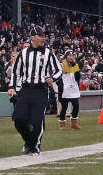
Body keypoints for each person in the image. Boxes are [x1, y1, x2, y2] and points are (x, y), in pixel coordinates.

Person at [7, 26, 62, 155]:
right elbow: (16, 72)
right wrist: (11, 87)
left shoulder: (49, 53)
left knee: (37, 120)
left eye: (44, 36)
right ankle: (29, 141)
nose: (43, 38)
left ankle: (34, 146)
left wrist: (52, 78)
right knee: (18, 118)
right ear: (32, 38)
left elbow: (59, 70)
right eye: (40, 35)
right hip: (25, 89)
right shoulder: (23, 53)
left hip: (40, 90)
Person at [55, 50, 82, 130]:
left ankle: (74, 123)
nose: (70, 57)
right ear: (66, 56)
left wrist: (77, 73)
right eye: (69, 55)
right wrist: (60, 85)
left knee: (76, 105)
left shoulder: (75, 65)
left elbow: (78, 78)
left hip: (73, 89)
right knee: (64, 107)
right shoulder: (61, 65)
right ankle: (62, 124)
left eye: (72, 55)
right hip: (64, 89)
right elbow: (57, 77)